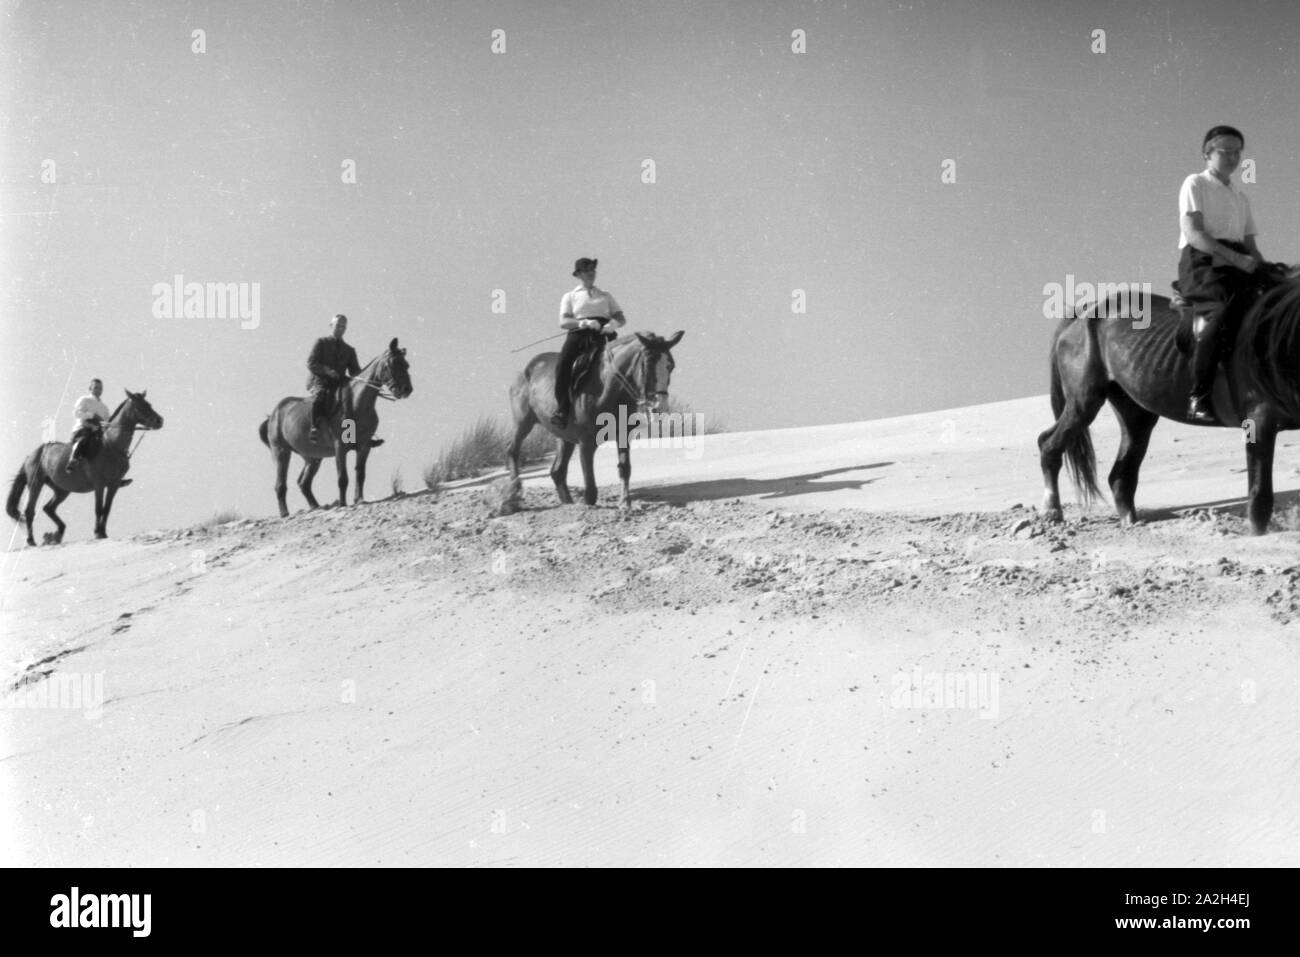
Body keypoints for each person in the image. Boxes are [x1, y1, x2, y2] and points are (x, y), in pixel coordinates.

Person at [1177, 125, 1285, 421]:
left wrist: (1267, 270)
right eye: (1225, 151)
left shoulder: (1241, 196)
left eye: (1237, 151)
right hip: (1203, 265)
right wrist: (1238, 260)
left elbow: (1251, 246)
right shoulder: (1195, 183)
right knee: (1221, 312)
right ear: (1207, 153)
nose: (1233, 157)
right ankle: (1198, 396)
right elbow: (1195, 234)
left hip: (1239, 263)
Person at [550, 258, 626, 427]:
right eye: (586, 271)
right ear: (579, 275)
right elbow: (563, 322)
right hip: (579, 336)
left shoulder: (605, 295)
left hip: (603, 336)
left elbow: (621, 317)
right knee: (563, 366)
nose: (590, 274)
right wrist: (582, 323)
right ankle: (563, 409)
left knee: (623, 366)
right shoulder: (570, 296)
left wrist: (612, 324)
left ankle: (627, 411)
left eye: (592, 270)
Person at [306, 313, 361, 441]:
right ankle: (315, 427)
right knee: (320, 396)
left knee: (355, 402)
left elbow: (355, 372)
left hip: (339, 384)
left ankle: (352, 436)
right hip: (320, 381)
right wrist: (327, 371)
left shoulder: (349, 350)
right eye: (338, 326)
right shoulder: (321, 342)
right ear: (331, 325)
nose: (340, 329)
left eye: (343, 327)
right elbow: (311, 363)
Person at [65, 378, 111, 471]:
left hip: (98, 433)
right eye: (96, 387)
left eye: (100, 388)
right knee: (84, 438)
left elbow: (107, 422)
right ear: (90, 388)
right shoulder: (84, 400)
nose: (98, 390)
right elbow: (76, 413)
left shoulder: (104, 408)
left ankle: (115, 476)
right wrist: (91, 415)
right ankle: (73, 459)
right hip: (82, 429)